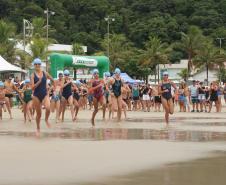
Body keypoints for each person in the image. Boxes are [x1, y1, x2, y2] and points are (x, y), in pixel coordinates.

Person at [31, 58, 55, 136]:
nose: (37, 65)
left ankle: (46, 120)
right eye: (36, 64)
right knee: (39, 114)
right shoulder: (32, 75)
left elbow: (52, 80)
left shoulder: (45, 73)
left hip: (44, 94)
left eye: (38, 64)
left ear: (40, 65)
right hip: (36, 96)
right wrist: (39, 81)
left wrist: (52, 87)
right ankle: (38, 128)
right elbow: (32, 87)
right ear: (34, 65)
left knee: (48, 108)